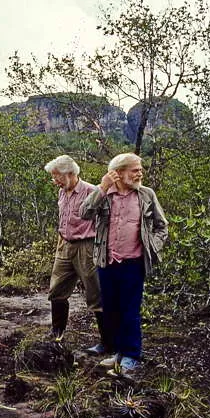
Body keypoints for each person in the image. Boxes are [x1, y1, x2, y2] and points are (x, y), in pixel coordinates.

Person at [80, 153, 168, 376]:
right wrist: (102, 187)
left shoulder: (146, 195)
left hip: (133, 263)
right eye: (135, 170)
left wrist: (152, 248)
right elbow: (84, 213)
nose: (140, 173)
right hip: (106, 262)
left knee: (130, 310)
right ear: (118, 173)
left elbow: (162, 226)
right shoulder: (105, 194)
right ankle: (119, 352)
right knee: (111, 310)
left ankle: (132, 356)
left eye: (140, 169)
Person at [44, 155, 109, 354]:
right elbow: (63, 220)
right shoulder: (62, 193)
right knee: (56, 291)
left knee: (95, 293)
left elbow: (107, 220)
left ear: (71, 174)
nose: (54, 181)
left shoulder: (91, 191)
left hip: (87, 247)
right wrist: (59, 245)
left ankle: (107, 342)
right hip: (64, 245)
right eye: (53, 176)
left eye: (57, 176)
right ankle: (57, 334)